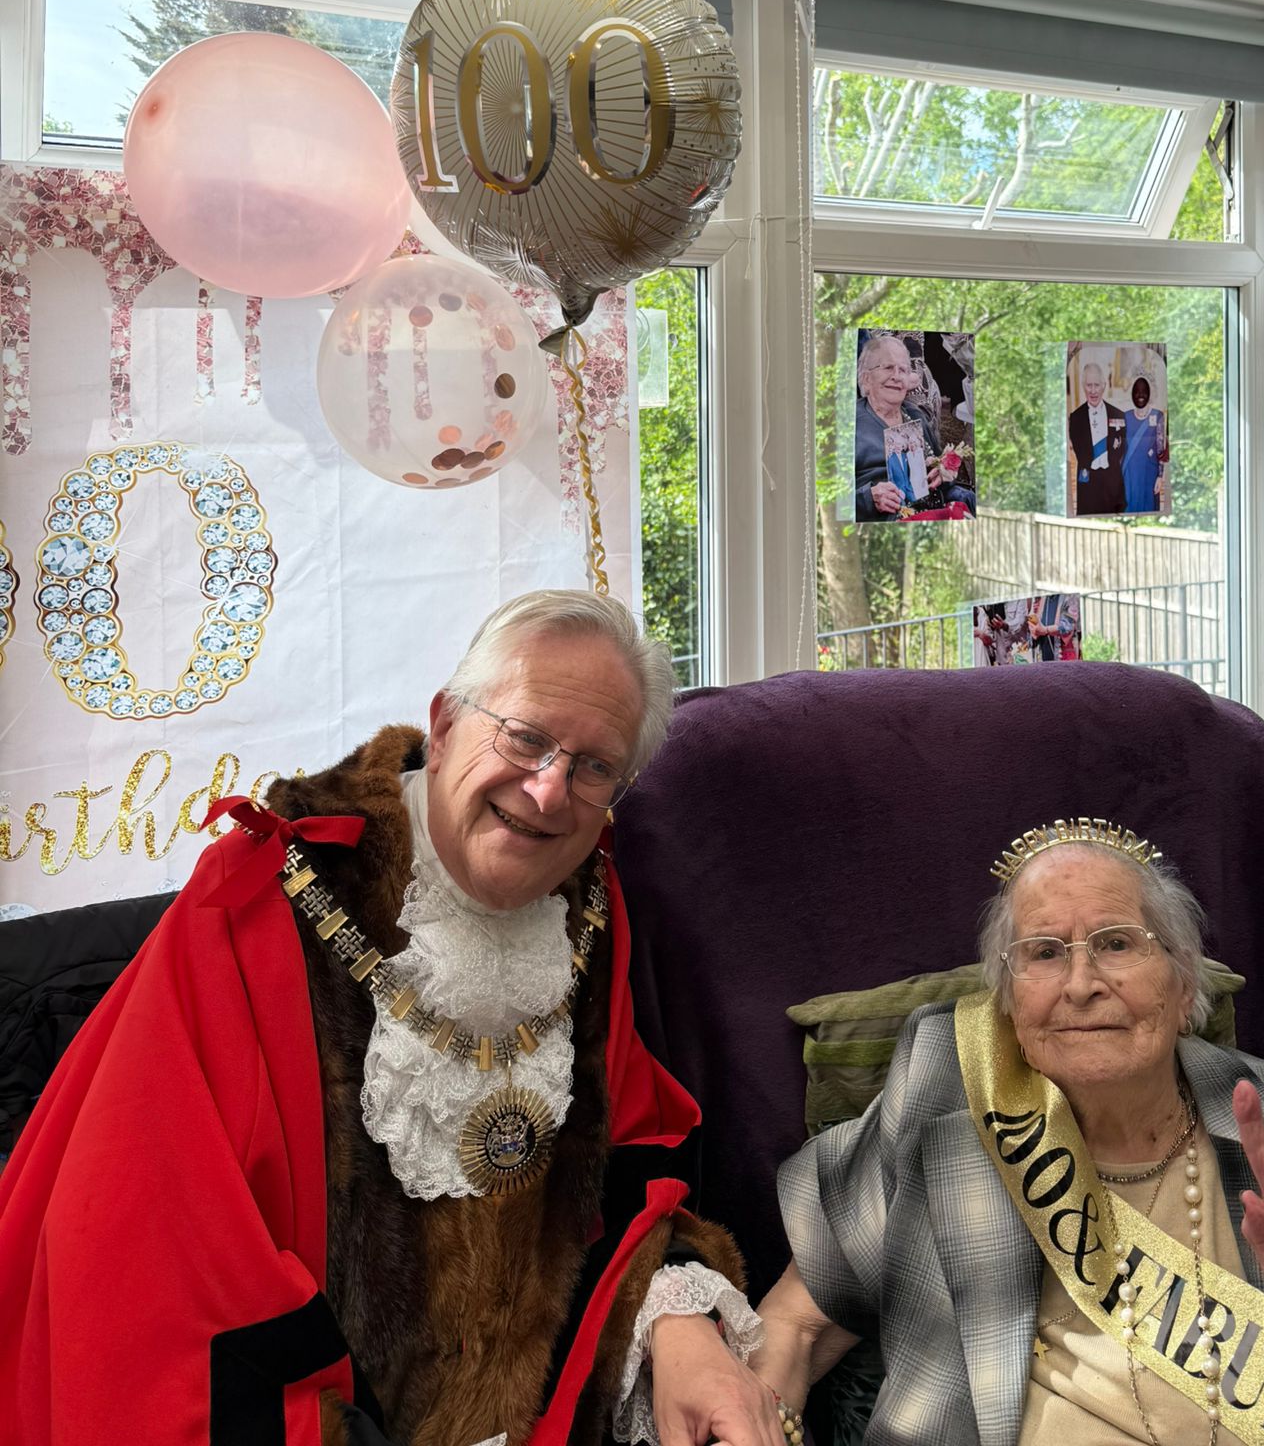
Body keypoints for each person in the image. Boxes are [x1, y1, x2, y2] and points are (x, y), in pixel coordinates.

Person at [0, 591, 778, 1446]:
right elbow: (155, 1255)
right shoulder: (260, 901)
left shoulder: (590, 908)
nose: (548, 789)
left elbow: (625, 1156)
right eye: (524, 737)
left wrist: (678, 1319)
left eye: (595, 767)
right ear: (444, 727)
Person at [753, 817, 1264, 1444]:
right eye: (1044, 953)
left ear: (1185, 982)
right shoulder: (947, 1100)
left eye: (1117, 944)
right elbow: (796, 1326)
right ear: (1008, 1002)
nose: (1081, 984)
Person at [854, 332, 974, 521]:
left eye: (903, 370)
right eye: (888, 367)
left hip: (931, 510)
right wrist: (867, 498)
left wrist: (943, 474)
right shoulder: (851, 424)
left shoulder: (915, 415)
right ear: (866, 378)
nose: (896, 376)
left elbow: (939, 479)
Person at [1068, 356, 1126, 516]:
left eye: (1096, 385)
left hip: (1112, 483)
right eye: (1089, 385)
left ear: (1103, 386)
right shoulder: (1076, 418)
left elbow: (1122, 447)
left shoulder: (1118, 414)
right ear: (1083, 386)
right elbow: (1080, 452)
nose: (1093, 391)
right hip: (1088, 483)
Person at [1123, 375, 1168, 516]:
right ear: (1132, 395)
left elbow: (1161, 449)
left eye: (1144, 391)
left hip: (1150, 473)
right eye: (1137, 392)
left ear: (1149, 394)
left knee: (1148, 509)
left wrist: (1160, 476)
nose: (1140, 395)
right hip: (1129, 474)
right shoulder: (1125, 416)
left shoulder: (1158, 416)